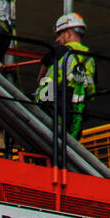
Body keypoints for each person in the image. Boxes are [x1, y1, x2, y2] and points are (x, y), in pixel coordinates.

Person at [34, 12, 96, 140]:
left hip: (55, 104)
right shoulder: (90, 59)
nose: (57, 40)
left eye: (59, 35)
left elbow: (40, 79)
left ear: (68, 34)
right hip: (76, 109)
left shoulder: (58, 51)